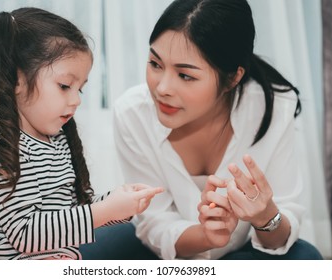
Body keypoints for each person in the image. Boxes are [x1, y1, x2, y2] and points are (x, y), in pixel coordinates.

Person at [80, 0, 323, 260]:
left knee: (305, 258)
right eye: (155, 63)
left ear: (232, 78)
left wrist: (265, 216)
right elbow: (155, 222)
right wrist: (205, 236)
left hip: (245, 250)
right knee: (73, 256)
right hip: (168, 250)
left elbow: (280, 233)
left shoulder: (273, 107)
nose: (162, 88)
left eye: (185, 76)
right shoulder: (132, 113)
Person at [0, 7, 163, 260]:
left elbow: (70, 217)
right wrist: (104, 210)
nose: (76, 100)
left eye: (79, 89)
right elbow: (25, 233)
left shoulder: (57, 142)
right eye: (65, 86)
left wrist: (120, 204)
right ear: (17, 80)